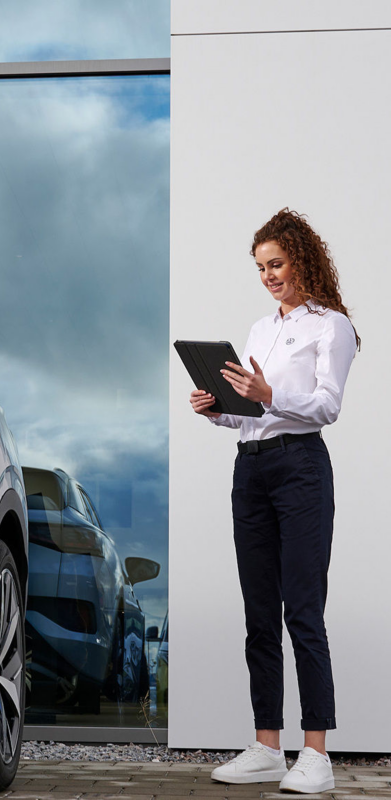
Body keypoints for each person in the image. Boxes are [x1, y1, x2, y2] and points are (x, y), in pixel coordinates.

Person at [190, 209, 358, 794]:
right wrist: (219, 409)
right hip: (252, 469)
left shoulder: (330, 327)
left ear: (301, 259)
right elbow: (252, 415)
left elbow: (326, 406)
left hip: (301, 470)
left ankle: (316, 754)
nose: (268, 275)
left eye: (277, 264)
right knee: (258, 614)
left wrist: (270, 391)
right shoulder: (261, 330)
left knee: (302, 611)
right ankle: (267, 746)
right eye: (261, 267)